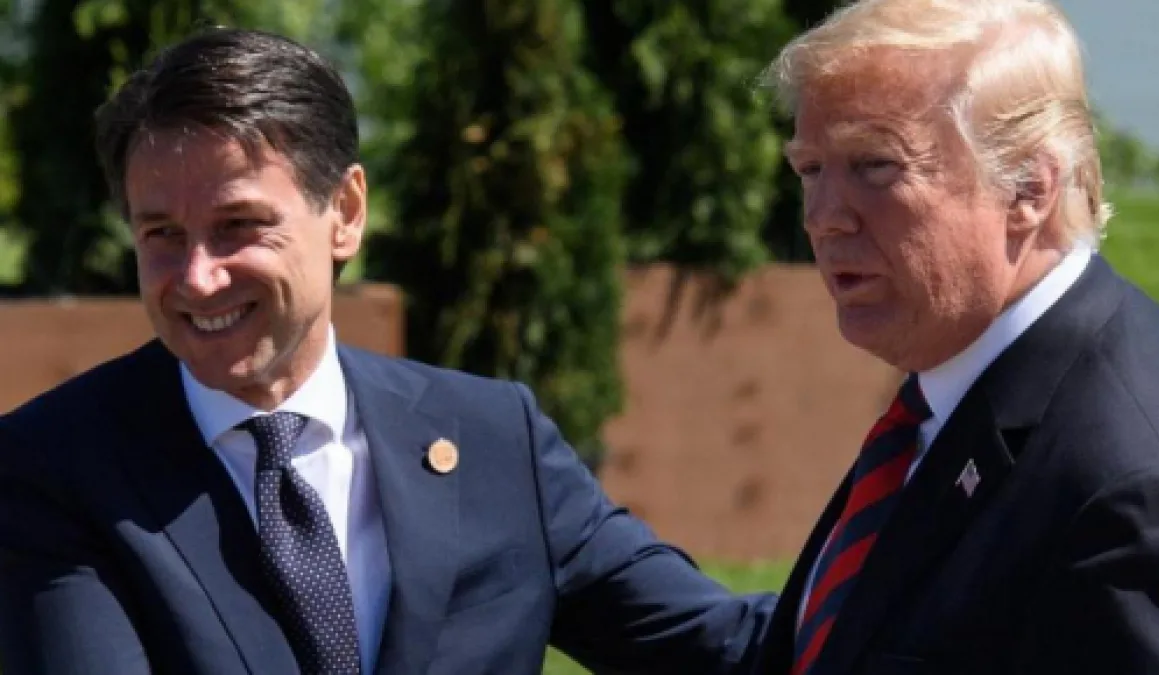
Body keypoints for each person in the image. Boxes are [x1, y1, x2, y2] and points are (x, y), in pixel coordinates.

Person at [0, 28, 774, 675]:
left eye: (238, 226)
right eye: (162, 235)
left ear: (345, 211)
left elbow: (729, 650)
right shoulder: (53, 467)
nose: (198, 276)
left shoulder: (493, 439)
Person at [752, 1, 1159, 674]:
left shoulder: (1127, 489)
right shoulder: (963, 377)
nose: (824, 217)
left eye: (876, 165)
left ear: (1029, 188)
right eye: (811, 169)